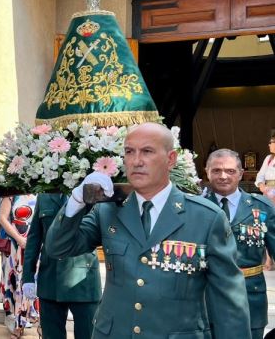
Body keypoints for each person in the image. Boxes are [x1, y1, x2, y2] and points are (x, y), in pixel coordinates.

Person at [45, 122, 251, 338]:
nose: (136, 161)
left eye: (147, 151)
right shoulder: (107, 211)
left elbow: (229, 302)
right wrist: (76, 202)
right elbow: (59, 248)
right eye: (129, 152)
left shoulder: (205, 217)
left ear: (170, 159)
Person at [204, 148, 275, 339]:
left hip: (250, 297)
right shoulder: (196, 207)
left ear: (241, 173)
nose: (223, 176)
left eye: (230, 171)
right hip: (206, 298)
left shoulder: (263, 207)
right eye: (216, 170)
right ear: (207, 172)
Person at [22, 192, 101, 339]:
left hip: (83, 278)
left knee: (88, 335)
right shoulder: (45, 196)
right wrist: (28, 276)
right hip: (50, 279)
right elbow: (34, 237)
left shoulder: (90, 191)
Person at [0, 194, 39, 337]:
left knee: (35, 281)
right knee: (16, 284)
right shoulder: (11, 195)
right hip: (15, 245)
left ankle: (40, 322)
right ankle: (18, 324)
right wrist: (19, 238)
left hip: (36, 243)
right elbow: (2, 218)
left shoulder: (42, 193)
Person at [256, 135, 275, 201]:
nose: (269, 145)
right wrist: (261, 184)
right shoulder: (269, 158)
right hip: (268, 192)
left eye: (271, 143)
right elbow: (260, 175)